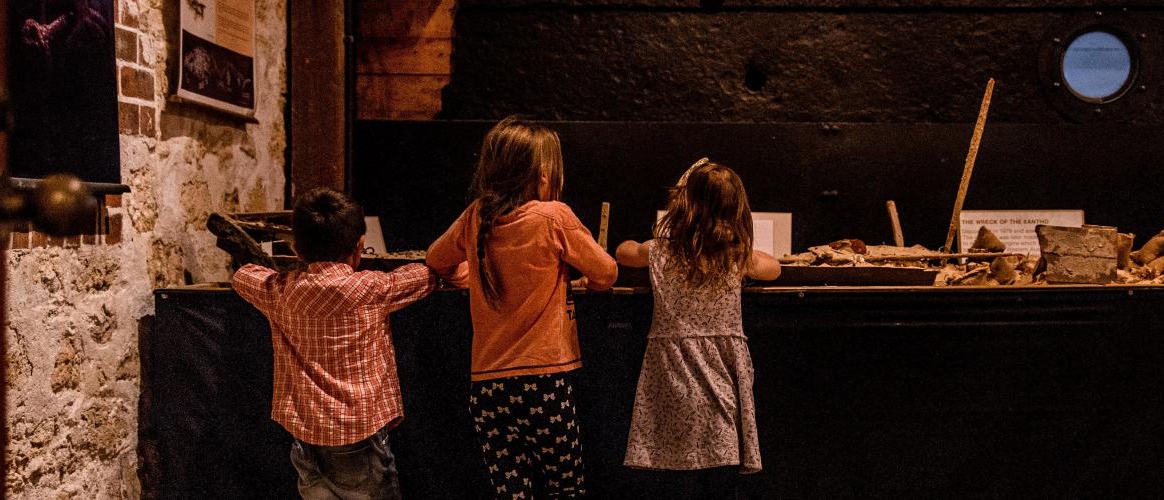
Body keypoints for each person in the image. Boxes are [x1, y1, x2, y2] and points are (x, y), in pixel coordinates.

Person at [426, 117, 618, 498]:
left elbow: (436, 259)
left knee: (512, 490)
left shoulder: (477, 215)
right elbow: (607, 272)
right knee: (566, 487)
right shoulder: (553, 217)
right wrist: (584, 283)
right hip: (543, 381)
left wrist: (471, 278)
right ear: (545, 174)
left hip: (487, 385)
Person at [232, 188, 438, 499]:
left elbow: (243, 275)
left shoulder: (281, 293)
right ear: (358, 247)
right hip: (358, 436)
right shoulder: (372, 289)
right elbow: (425, 275)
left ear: (298, 248)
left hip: (305, 438)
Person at [616, 158, 781, 499]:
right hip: (721, 379)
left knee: (676, 477)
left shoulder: (660, 251)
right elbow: (774, 268)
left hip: (672, 376)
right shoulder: (737, 255)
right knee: (720, 473)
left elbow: (624, 251)